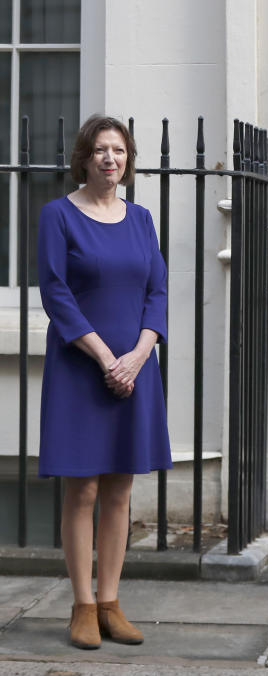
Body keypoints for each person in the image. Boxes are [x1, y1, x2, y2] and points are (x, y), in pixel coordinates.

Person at [37, 115, 171, 648]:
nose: (109, 158)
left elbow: (157, 292)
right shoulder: (58, 216)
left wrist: (137, 356)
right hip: (80, 367)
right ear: (84, 158)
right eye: (100, 150)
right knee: (83, 488)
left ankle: (112, 602)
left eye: (118, 150)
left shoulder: (141, 219)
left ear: (128, 159)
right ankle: (83, 606)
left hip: (134, 369)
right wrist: (103, 357)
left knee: (120, 487)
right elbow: (55, 292)